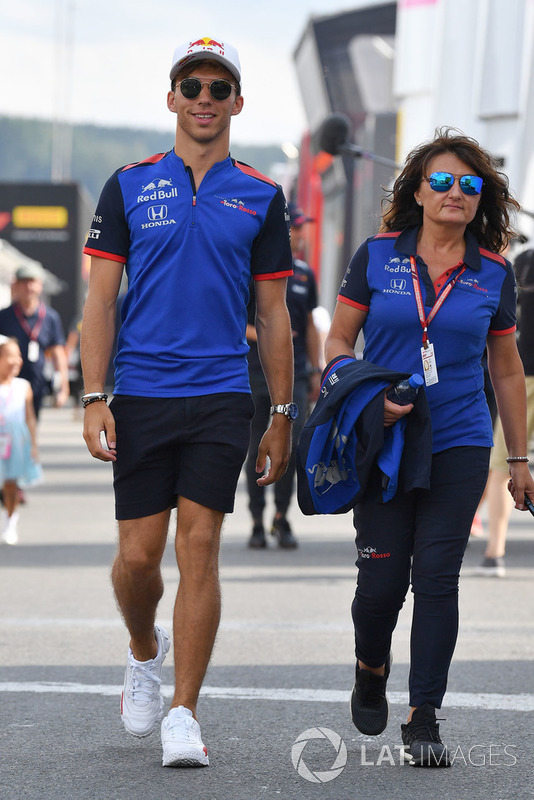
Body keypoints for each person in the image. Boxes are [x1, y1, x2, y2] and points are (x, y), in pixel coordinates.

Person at [80, 36, 295, 769]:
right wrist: (92, 396)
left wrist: (281, 414)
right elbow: (100, 302)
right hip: (139, 394)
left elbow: (272, 315)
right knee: (136, 562)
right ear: (172, 98)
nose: (205, 98)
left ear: (238, 103)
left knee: (198, 546)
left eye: (219, 87)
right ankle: (144, 649)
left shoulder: (262, 195)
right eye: (192, 85)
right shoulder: (128, 184)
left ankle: (183, 710)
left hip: (221, 396)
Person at [324, 128, 534, 768]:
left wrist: (520, 460)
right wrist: (364, 404)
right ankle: (370, 666)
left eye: (469, 185)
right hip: (385, 440)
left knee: (438, 578)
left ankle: (424, 716)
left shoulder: (492, 272)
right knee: (380, 586)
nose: (455, 193)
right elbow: (336, 345)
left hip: (462, 440)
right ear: (417, 190)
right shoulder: (376, 255)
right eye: (441, 181)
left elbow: (506, 370)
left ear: (480, 200)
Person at [245, 202, 320, 548]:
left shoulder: (305, 274)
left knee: (291, 447)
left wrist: (318, 368)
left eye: (302, 227)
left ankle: (281, 517)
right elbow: (237, 322)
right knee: (254, 450)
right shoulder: (249, 269)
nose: (299, 234)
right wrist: (269, 336)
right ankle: (257, 521)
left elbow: (309, 325)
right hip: (255, 374)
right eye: (295, 227)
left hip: (297, 375)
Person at [474, 246, 534, 575]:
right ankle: (494, 549)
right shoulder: (517, 263)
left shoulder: (520, 262)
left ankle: (495, 550)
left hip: (523, 373)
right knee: (503, 462)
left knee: (502, 464)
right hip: (522, 374)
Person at [0, 264, 69, 418]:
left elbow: (58, 352)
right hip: (8, 386)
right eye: (24, 282)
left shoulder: (50, 317)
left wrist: (63, 388)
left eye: (32, 281)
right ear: (15, 285)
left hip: (37, 385)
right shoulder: (4, 316)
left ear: (40, 285)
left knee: (30, 428)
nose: (28, 286)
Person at [0, 337, 40, 545]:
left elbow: (30, 417)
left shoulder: (23, 386)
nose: (16, 361)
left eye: (18, 356)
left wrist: (32, 444)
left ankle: (10, 521)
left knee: (10, 484)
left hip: (13, 442)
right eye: (10, 356)